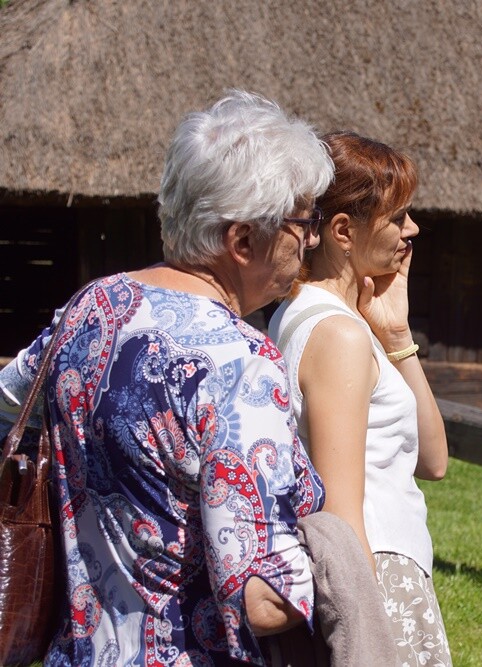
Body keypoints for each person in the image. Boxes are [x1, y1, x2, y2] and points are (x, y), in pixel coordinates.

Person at [0, 91, 377, 666]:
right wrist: (344, 556)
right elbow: (261, 598)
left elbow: (8, 404)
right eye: (304, 223)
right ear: (243, 240)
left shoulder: (92, 307)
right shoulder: (240, 363)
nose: (314, 240)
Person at [269, 131, 451, 666]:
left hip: (386, 569)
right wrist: (365, 637)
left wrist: (397, 337)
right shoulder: (337, 335)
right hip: (378, 577)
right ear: (344, 231)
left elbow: (433, 461)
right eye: (397, 217)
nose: (412, 229)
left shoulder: (313, 319)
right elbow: (343, 517)